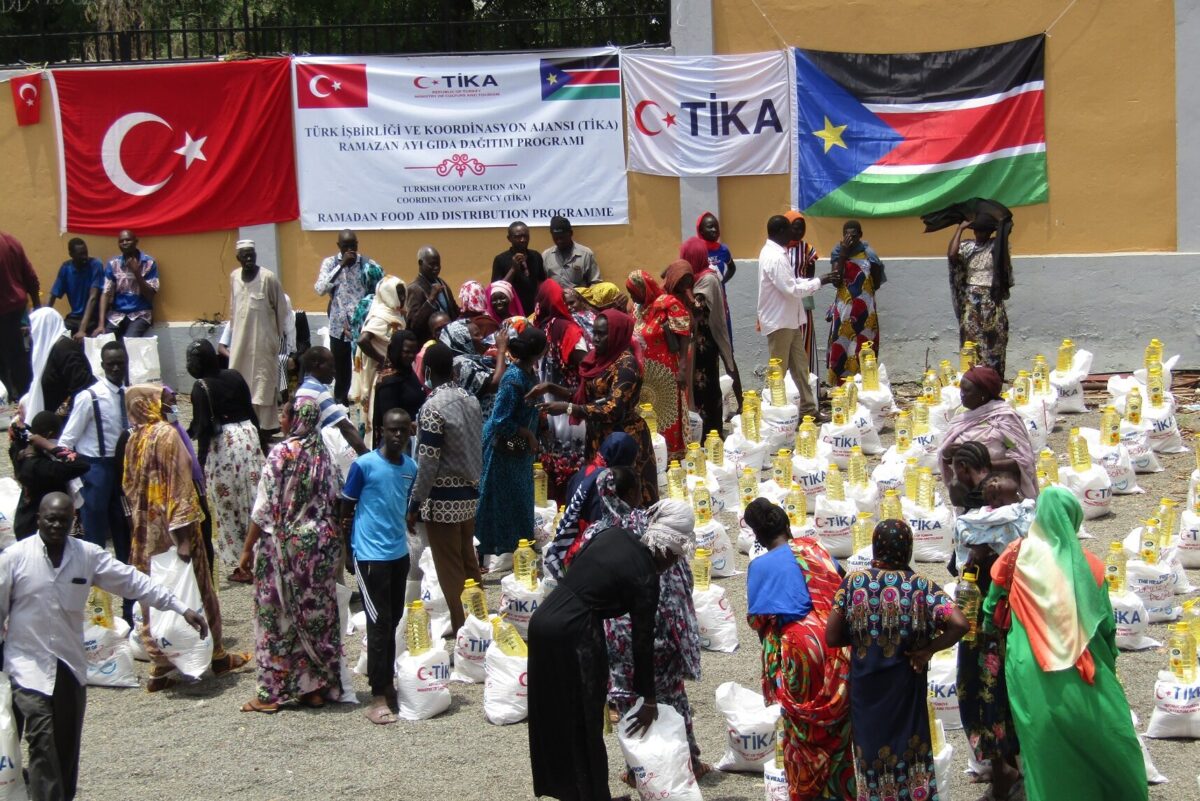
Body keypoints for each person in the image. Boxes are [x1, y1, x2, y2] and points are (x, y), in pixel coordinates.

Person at [0, 493, 207, 801]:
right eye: (49, 519)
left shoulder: (86, 556)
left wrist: (179, 607)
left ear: (74, 521)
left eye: (63, 519)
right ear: (38, 519)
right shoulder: (15, 559)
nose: (56, 525)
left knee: (66, 748)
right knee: (42, 741)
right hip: (26, 667)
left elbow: (133, 582)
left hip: (69, 666)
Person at [527, 466, 686, 801]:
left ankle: (575, 792)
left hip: (544, 621)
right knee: (585, 718)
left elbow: (580, 571)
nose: (672, 565)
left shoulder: (616, 535)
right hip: (575, 632)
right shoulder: (646, 577)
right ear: (669, 548)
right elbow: (642, 641)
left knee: (554, 714)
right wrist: (650, 699)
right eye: (675, 557)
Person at [983, 488, 1148, 801]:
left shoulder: (1016, 555)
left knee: (1044, 749)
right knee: (1107, 739)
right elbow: (1105, 627)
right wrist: (1107, 665)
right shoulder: (1089, 566)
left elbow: (991, 609)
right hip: (1082, 665)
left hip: (1029, 666)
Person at [826, 519, 968, 801]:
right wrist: (928, 649)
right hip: (906, 689)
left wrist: (862, 637)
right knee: (911, 752)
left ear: (876, 547)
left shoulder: (854, 582)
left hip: (867, 692)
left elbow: (831, 637)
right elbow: (960, 623)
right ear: (908, 549)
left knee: (871, 760)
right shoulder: (922, 586)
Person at [119, 384, 248, 689]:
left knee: (154, 593)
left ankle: (160, 665)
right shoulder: (166, 434)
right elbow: (180, 479)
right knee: (199, 587)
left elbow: (127, 486)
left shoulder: (133, 438)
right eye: (165, 402)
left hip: (144, 530)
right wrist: (185, 537)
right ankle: (215, 654)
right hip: (173, 529)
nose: (170, 406)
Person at [239, 397, 345, 713]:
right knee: (315, 617)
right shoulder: (324, 454)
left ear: (294, 418)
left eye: (284, 415)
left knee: (276, 617)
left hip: (284, 549)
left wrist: (246, 550)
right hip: (320, 551)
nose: (282, 421)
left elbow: (264, 508)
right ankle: (313, 687)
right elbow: (335, 497)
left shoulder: (281, 454)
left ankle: (270, 694)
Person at [744, 498, 854, 801]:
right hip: (834, 641)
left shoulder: (760, 566)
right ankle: (841, 790)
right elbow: (842, 589)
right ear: (787, 524)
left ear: (758, 536)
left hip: (799, 646)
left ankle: (808, 790)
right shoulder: (817, 551)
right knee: (837, 719)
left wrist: (775, 666)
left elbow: (759, 622)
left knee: (802, 726)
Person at [605, 498, 705, 777]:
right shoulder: (665, 553)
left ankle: (637, 771)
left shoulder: (623, 533)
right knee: (672, 703)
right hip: (650, 641)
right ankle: (689, 765)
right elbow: (675, 607)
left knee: (629, 707)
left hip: (619, 642)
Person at [951, 471, 1030, 799]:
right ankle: (1003, 772)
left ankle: (1006, 774)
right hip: (978, 634)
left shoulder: (1018, 541)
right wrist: (974, 559)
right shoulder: (977, 529)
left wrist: (983, 558)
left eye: (1002, 497)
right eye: (992, 495)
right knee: (975, 696)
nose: (995, 501)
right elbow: (960, 572)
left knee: (996, 700)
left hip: (1002, 635)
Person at [531, 309, 658, 508]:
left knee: (625, 497)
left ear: (616, 334)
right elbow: (590, 394)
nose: (595, 339)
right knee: (602, 498)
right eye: (594, 333)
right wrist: (552, 388)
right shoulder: (599, 360)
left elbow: (613, 408)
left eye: (602, 334)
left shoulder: (626, 365)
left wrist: (570, 409)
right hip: (598, 439)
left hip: (623, 440)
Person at [339, 408, 418, 725]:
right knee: (379, 621)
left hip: (398, 554)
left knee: (394, 617)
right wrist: (347, 551)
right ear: (380, 431)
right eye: (391, 430)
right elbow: (346, 508)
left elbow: (403, 505)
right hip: (370, 557)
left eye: (402, 430)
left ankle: (387, 682)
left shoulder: (410, 468)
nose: (397, 436)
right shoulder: (364, 465)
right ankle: (378, 695)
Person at [406, 343, 484, 634]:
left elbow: (427, 462)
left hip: (441, 500)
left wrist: (414, 504)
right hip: (469, 493)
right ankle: (479, 620)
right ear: (452, 369)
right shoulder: (471, 399)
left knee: (450, 569)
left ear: (426, 371)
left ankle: (464, 628)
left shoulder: (431, 408)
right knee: (468, 563)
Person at [185, 339, 263, 581]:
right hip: (248, 438)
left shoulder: (201, 387)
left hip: (224, 447)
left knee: (228, 506)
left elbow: (203, 428)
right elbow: (252, 413)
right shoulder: (235, 375)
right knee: (253, 499)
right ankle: (262, 557)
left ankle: (242, 565)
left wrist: (198, 463)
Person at [475, 327, 545, 567]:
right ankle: (481, 552)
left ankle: (520, 547)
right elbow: (500, 420)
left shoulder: (528, 374)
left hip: (520, 450)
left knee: (519, 498)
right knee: (494, 500)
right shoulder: (513, 379)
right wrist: (527, 433)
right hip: (503, 449)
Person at [58, 341, 131, 568]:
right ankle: (96, 587)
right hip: (95, 469)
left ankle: (128, 585)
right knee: (95, 530)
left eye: (120, 364)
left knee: (124, 525)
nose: (116, 369)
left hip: (121, 468)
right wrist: (74, 478)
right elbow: (66, 441)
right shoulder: (90, 397)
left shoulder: (129, 394)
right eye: (111, 365)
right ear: (103, 365)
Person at [757, 216, 834, 417]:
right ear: (781, 231)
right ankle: (773, 414)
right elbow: (791, 289)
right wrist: (819, 282)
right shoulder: (775, 257)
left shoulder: (777, 253)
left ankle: (809, 409)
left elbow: (791, 282)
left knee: (800, 367)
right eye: (790, 229)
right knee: (778, 371)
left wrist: (817, 280)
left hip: (789, 320)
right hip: (779, 321)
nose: (794, 233)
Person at [543, 432, 639, 582]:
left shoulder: (584, 472)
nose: (633, 466)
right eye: (632, 461)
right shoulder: (605, 483)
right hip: (589, 554)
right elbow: (602, 525)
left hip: (568, 548)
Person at [938, 365, 1037, 501]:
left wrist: (984, 466)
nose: (961, 394)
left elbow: (1023, 461)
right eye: (961, 389)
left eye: (967, 391)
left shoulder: (1002, 420)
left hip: (999, 494)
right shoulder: (961, 418)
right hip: (969, 495)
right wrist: (947, 454)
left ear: (983, 394)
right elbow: (948, 459)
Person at [531, 279, 588, 502]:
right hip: (570, 408)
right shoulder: (568, 330)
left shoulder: (540, 328)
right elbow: (586, 366)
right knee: (577, 469)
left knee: (555, 468)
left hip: (547, 409)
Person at [628, 264, 692, 459]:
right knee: (649, 415)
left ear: (644, 289)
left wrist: (682, 368)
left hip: (667, 373)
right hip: (646, 375)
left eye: (634, 293)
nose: (632, 298)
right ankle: (652, 453)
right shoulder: (638, 309)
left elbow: (684, 335)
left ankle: (672, 455)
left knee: (668, 415)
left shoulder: (668, 304)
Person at [225, 240, 288, 437]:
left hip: (263, 342)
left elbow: (281, 310)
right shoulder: (234, 277)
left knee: (263, 384)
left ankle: (266, 428)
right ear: (238, 258)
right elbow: (234, 309)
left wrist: (276, 339)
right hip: (240, 343)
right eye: (245, 254)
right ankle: (243, 423)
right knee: (239, 380)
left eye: (252, 253)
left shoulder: (268, 278)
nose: (249, 258)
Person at [314, 229, 384, 404]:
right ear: (339, 246)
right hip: (338, 325)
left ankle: (364, 399)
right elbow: (320, 289)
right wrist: (341, 266)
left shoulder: (367, 265)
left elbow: (380, 289)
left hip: (361, 327)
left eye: (353, 245)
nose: (350, 250)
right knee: (340, 368)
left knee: (362, 366)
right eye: (346, 246)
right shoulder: (330, 263)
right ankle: (340, 401)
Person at [683, 235, 742, 430]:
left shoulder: (707, 279)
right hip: (697, 342)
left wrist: (683, 289)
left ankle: (711, 431)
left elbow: (698, 308)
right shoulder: (698, 277)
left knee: (706, 387)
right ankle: (701, 430)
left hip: (706, 343)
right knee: (699, 387)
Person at [947, 213, 1013, 377]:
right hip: (971, 300)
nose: (980, 234)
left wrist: (1001, 227)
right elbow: (951, 255)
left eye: (984, 231)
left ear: (990, 232)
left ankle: (993, 380)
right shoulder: (967, 246)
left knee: (995, 340)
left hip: (992, 299)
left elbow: (1003, 255)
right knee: (971, 340)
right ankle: (974, 380)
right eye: (977, 231)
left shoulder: (995, 247)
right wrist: (960, 229)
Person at [9, 411, 89, 540]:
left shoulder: (19, 451)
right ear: (50, 435)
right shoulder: (43, 467)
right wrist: (49, 445)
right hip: (41, 529)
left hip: (24, 519)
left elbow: (19, 440)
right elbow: (81, 465)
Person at [827, 220, 886, 384]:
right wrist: (844, 254)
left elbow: (875, 282)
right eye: (846, 235)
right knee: (843, 346)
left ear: (860, 235)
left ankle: (865, 383)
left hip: (865, 311)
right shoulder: (838, 252)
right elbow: (835, 281)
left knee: (864, 346)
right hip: (844, 310)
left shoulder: (869, 255)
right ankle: (842, 385)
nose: (850, 238)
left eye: (853, 235)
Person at [350, 274, 406, 443]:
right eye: (399, 294)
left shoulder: (396, 313)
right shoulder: (380, 316)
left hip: (392, 370)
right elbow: (362, 340)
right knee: (377, 410)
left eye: (403, 294)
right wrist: (382, 359)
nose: (402, 298)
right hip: (377, 372)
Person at [294, 346, 369, 456]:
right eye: (330, 366)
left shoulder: (304, 388)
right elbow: (346, 428)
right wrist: (367, 458)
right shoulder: (317, 391)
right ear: (317, 365)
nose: (334, 371)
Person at [439, 318, 508, 418]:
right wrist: (501, 349)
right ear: (463, 340)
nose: (482, 337)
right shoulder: (462, 364)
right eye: (476, 335)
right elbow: (495, 384)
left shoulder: (473, 358)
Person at [0, 230, 40, 401]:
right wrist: (37, 307)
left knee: (9, 359)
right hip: (16, 309)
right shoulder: (10, 240)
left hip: (6, 309)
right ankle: (25, 397)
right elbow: (30, 275)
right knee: (17, 355)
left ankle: (15, 396)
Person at [95, 229, 157, 339]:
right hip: (116, 315)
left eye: (128, 240)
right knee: (104, 341)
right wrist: (101, 324)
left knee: (129, 343)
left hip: (140, 315)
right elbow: (105, 293)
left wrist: (136, 272)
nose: (124, 243)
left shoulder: (149, 263)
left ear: (136, 241)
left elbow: (150, 295)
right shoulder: (113, 263)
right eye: (121, 241)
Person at [784, 211, 821, 379]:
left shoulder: (807, 249)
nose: (799, 232)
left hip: (803, 299)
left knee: (805, 338)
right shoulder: (779, 249)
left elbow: (810, 278)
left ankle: (809, 382)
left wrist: (807, 294)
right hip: (785, 300)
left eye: (802, 229)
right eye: (795, 228)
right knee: (786, 341)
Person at [23, 307, 70, 424]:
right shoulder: (47, 351)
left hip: (61, 420)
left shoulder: (64, 349)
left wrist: (58, 416)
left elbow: (79, 388)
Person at [372, 329, 424, 433]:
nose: (411, 356)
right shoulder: (389, 382)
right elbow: (390, 420)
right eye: (406, 352)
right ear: (396, 350)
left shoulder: (408, 372)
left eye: (414, 352)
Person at [48, 238, 102, 338]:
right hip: (73, 318)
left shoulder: (95, 265)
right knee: (57, 338)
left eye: (86, 253)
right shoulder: (66, 268)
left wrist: (82, 329)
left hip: (91, 319)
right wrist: (45, 316)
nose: (85, 257)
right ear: (71, 255)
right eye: (81, 254)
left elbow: (93, 298)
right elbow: (53, 295)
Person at [37, 327, 93, 420]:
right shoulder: (45, 350)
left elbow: (81, 385)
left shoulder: (63, 348)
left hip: (68, 418)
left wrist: (59, 416)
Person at [406, 246, 459, 343]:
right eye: (432, 264)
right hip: (429, 344)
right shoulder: (415, 288)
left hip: (449, 341)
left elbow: (453, 310)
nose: (436, 268)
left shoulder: (442, 283)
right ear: (421, 263)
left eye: (438, 264)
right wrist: (431, 299)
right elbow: (413, 325)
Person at [492, 220, 546, 314]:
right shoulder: (501, 259)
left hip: (535, 309)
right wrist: (513, 269)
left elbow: (542, 282)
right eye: (518, 237)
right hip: (512, 311)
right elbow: (497, 290)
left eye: (525, 236)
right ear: (509, 238)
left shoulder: (535, 256)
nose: (522, 240)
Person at [543, 216, 600, 289]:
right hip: (554, 299)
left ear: (570, 233)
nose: (559, 241)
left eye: (562, 237)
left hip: (579, 299)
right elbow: (541, 284)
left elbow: (595, 283)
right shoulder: (546, 256)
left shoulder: (586, 254)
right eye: (556, 238)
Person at [697, 211, 736, 285]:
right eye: (710, 227)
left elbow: (732, 268)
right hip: (702, 295)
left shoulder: (723, 250)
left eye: (716, 227)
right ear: (701, 231)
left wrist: (722, 283)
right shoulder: (696, 251)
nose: (714, 230)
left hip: (720, 295)